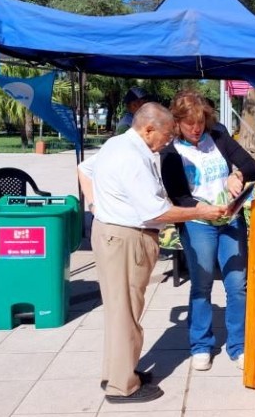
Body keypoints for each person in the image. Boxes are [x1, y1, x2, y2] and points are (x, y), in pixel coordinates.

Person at [78, 102, 226, 403]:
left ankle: (118, 371)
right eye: (167, 134)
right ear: (148, 130)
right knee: (126, 313)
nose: (169, 140)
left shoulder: (116, 144)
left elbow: (84, 170)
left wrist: (95, 206)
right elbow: (156, 211)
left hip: (111, 233)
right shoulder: (133, 157)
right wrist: (201, 211)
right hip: (126, 238)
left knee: (121, 311)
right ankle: (123, 386)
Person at [160, 90, 255, 371]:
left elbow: (252, 166)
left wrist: (236, 175)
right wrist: (205, 209)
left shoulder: (217, 135)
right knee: (202, 285)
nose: (196, 128)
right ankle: (201, 344)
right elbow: (179, 196)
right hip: (199, 223)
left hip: (231, 219)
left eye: (200, 122)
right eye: (189, 123)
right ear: (177, 122)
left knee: (237, 285)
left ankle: (238, 345)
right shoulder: (170, 152)